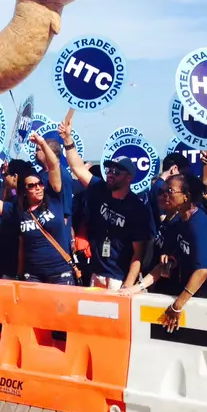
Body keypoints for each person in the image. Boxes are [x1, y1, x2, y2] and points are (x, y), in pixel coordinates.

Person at [59, 119, 152, 289]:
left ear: (129, 178)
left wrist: (128, 285)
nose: (110, 174)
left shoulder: (137, 209)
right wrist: (67, 140)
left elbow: (138, 253)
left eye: (116, 172)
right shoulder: (100, 189)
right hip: (96, 272)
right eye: (109, 170)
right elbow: (78, 169)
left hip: (119, 278)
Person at [129, 173, 207, 331]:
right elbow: (165, 264)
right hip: (191, 290)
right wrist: (136, 288)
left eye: (170, 191)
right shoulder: (180, 222)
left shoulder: (199, 225)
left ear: (186, 196)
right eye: (162, 191)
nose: (164, 195)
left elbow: (203, 270)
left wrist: (177, 305)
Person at [0, 134, 75, 285]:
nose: (37, 187)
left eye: (40, 184)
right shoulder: (18, 209)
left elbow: (54, 166)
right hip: (33, 276)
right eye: (31, 186)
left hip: (60, 274)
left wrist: (42, 143)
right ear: (25, 190)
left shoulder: (54, 199)